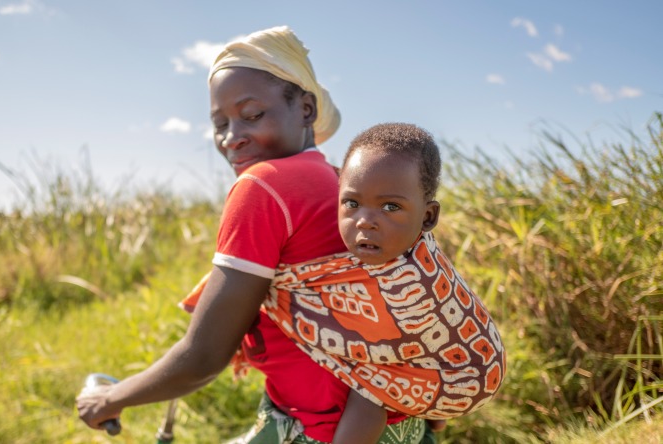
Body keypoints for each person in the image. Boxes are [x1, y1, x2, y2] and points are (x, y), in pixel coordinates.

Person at [77, 26, 433, 444]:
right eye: (219, 123)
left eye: (251, 115)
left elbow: (204, 357)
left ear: (305, 109)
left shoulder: (264, 186)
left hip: (318, 431)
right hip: (405, 423)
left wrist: (107, 400)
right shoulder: (342, 186)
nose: (231, 137)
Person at [182, 123, 506, 443]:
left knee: (370, 390)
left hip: (457, 379)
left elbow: (437, 342)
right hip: (412, 410)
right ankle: (430, 424)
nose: (365, 220)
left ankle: (431, 420)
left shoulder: (413, 281)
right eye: (351, 203)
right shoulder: (344, 267)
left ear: (428, 217)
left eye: (390, 206)